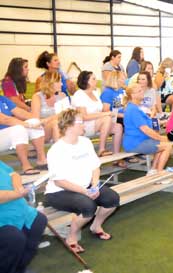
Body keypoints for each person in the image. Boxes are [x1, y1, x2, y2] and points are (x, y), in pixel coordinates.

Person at [45, 109, 120, 253]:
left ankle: (96, 226)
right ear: (68, 125)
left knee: (112, 199)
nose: (83, 124)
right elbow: (59, 181)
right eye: (80, 122)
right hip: (59, 192)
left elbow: (95, 167)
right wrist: (86, 191)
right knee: (88, 206)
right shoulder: (57, 150)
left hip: (85, 187)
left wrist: (95, 184)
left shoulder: (85, 142)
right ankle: (71, 237)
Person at [0, 161, 47, 273]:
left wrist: (18, 188)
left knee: (39, 220)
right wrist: (19, 194)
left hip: (16, 207)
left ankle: (18, 268)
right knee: (13, 237)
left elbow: (13, 174)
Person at [122, 84, 172, 174]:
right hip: (135, 143)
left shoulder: (136, 108)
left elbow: (149, 122)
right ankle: (159, 174)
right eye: (139, 91)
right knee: (167, 145)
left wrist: (163, 122)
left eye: (142, 90)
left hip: (141, 140)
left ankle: (153, 171)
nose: (142, 92)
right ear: (133, 95)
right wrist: (160, 137)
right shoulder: (133, 109)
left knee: (164, 143)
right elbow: (145, 129)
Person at [72, 71, 122, 158]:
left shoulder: (96, 93)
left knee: (118, 127)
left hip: (98, 122)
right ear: (86, 81)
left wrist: (112, 112)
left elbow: (103, 110)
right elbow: (84, 117)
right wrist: (106, 114)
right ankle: (101, 149)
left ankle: (117, 156)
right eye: (94, 79)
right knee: (107, 118)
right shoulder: (79, 95)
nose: (96, 81)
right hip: (84, 125)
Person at [0, 95, 47, 175]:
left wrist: (38, 120)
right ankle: (26, 166)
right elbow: (4, 119)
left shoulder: (2, 99)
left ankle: (41, 160)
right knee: (19, 129)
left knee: (34, 121)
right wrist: (27, 125)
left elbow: (20, 112)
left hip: (7, 133)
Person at [30, 70, 69, 143]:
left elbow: (67, 116)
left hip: (60, 127)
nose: (61, 84)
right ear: (50, 83)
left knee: (63, 124)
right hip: (41, 130)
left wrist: (47, 119)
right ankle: (60, 152)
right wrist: (57, 117)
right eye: (59, 81)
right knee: (56, 123)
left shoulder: (62, 95)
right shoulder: (37, 97)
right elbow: (36, 121)